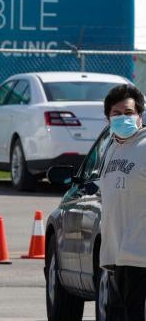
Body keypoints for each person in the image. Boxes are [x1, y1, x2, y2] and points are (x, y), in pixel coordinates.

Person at [100, 84, 146, 320]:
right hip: (118, 256)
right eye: (116, 114)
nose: (123, 118)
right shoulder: (111, 150)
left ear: (140, 115)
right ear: (108, 118)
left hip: (141, 256)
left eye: (129, 113)